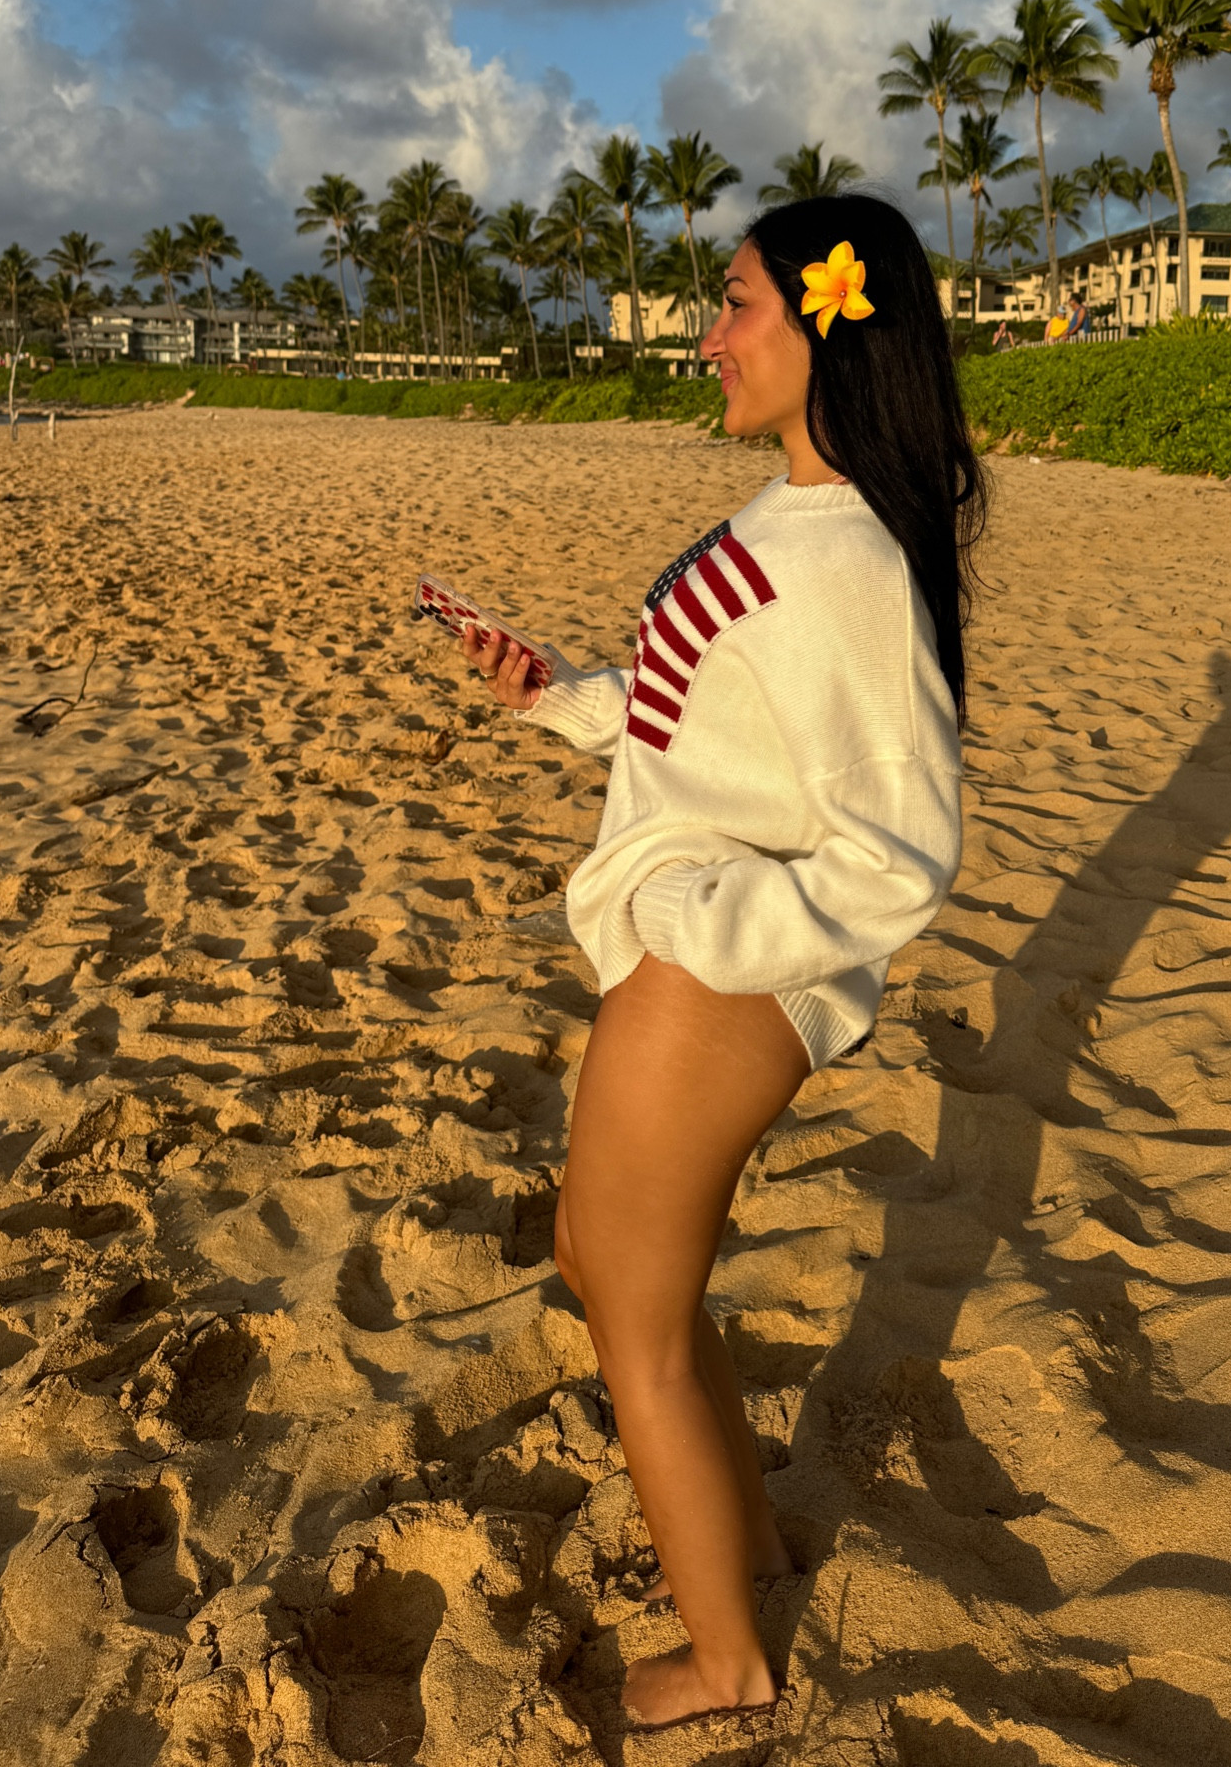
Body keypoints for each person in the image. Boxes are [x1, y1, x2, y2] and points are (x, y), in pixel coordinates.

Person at [458, 192, 985, 1731]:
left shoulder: (853, 569)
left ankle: (732, 1658)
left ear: (829, 321)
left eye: (739, 302)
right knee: (605, 1262)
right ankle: (745, 1538)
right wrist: (559, 696)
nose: (710, 334)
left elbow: (902, 850)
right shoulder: (794, 522)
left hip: (721, 969)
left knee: (627, 1307)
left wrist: (705, 933)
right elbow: (704, 726)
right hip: (689, 945)